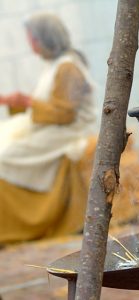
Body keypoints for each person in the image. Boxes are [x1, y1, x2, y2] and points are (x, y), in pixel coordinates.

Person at [0, 12, 98, 244]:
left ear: (46, 39)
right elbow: (51, 106)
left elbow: (65, 114)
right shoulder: (55, 65)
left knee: (4, 155)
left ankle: (27, 223)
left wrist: (27, 102)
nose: (30, 44)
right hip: (55, 127)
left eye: (32, 39)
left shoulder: (68, 67)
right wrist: (21, 102)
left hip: (70, 131)